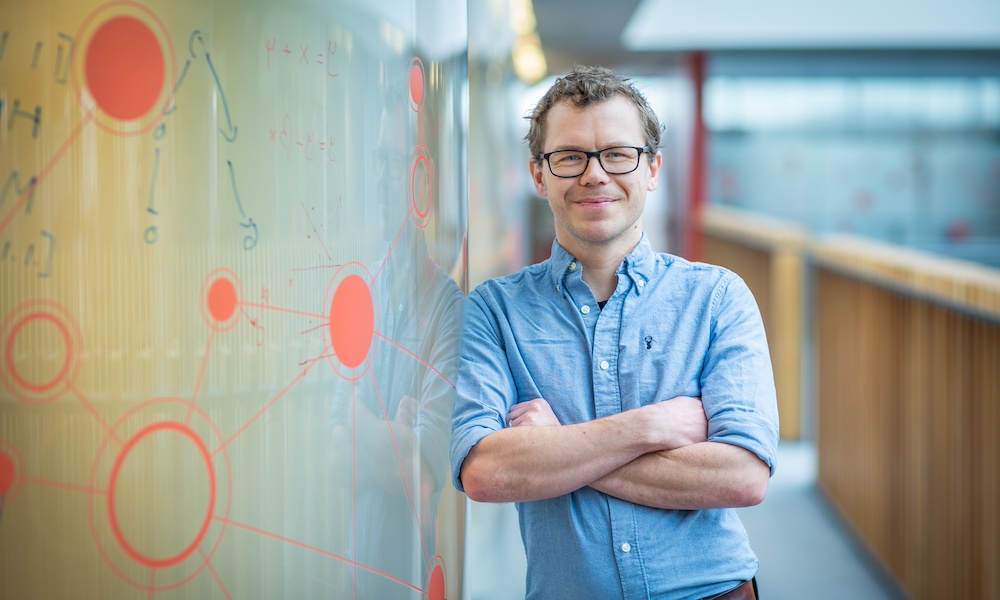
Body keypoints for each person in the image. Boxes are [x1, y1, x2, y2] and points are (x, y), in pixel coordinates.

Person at [449, 65, 779, 600]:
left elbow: (742, 477)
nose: (595, 174)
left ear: (652, 169)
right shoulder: (494, 310)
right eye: (570, 156)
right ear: (539, 175)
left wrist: (555, 448)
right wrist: (651, 427)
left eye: (618, 154)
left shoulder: (719, 298)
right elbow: (485, 471)